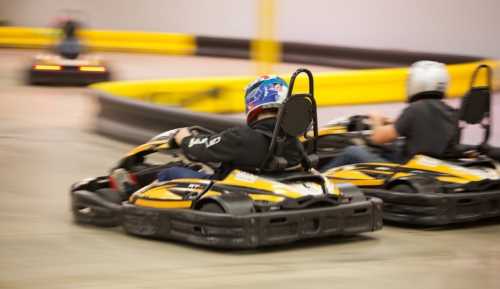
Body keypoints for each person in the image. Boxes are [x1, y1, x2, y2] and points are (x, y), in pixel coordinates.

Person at [111, 75, 302, 193]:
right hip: (268, 183)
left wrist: (184, 138)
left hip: (234, 188)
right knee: (197, 167)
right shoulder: (292, 139)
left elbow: (199, 150)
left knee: (172, 171)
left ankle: (132, 189)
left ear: (254, 101)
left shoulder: (240, 138)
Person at [322, 60, 459, 170]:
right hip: (429, 167)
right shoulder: (450, 112)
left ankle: (319, 183)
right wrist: (391, 123)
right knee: (392, 146)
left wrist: (376, 119)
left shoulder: (416, 108)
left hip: (405, 169)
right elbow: (424, 129)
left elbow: (377, 138)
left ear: (419, 82)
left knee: (352, 152)